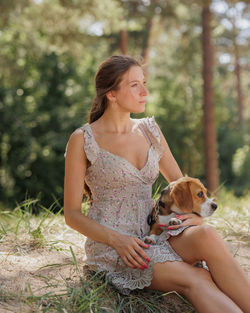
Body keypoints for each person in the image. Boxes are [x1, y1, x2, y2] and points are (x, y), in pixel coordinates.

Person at [64, 55, 250, 313]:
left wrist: (195, 216)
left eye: (144, 82)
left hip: (158, 229)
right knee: (197, 278)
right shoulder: (82, 139)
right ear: (112, 94)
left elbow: (179, 183)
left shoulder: (149, 130)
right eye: (134, 85)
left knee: (207, 234)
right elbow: (71, 215)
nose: (145, 91)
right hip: (119, 248)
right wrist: (117, 240)